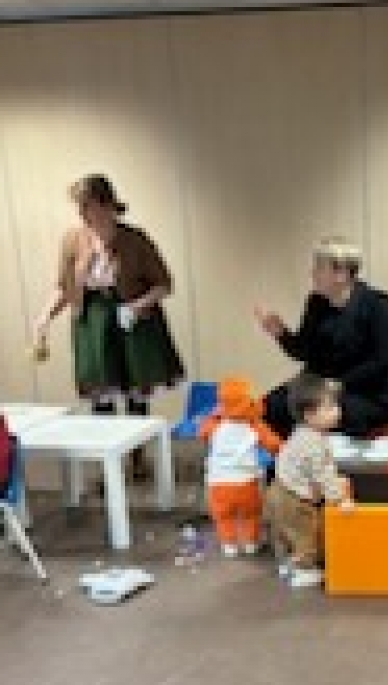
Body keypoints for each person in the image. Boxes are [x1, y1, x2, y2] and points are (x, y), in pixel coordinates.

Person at [34, 174, 184, 470]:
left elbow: (164, 284)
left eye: (86, 205)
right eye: (79, 206)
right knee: (100, 390)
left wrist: (136, 306)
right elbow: (64, 287)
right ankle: (109, 462)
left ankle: (138, 458)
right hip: (92, 320)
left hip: (131, 319)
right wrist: (45, 316)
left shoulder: (134, 240)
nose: (81, 212)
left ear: (106, 204)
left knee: (135, 390)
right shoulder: (73, 240)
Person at [254, 237, 388, 439]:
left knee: (323, 415)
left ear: (341, 273)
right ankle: (286, 458)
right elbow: (305, 352)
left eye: (319, 267)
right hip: (325, 387)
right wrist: (281, 333)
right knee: (269, 407)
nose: (312, 273)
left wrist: (335, 385)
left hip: (373, 391)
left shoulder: (380, 306)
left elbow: (384, 363)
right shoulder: (316, 303)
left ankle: (331, 457)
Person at [263, 372, 351, 589]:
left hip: (278, 488)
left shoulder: (302, 432)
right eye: (329, 407)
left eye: (336, 405)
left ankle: (288, 563)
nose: (337, 411)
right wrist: (340, 499)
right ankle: (304, 570)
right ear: (310, 415)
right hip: (293, 498)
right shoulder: (314, 444)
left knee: (286, 531)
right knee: (305, 533)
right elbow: (323, 475)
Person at [198, 377, 282, 558]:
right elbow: (274, 445)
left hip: (218, 482)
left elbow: (203, 434)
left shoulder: (214, 425)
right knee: (251, 515)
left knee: (223, 517)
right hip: (247, 483)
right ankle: (250, 543)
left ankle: (229, 545)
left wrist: (214, 415)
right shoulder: (255, 425)